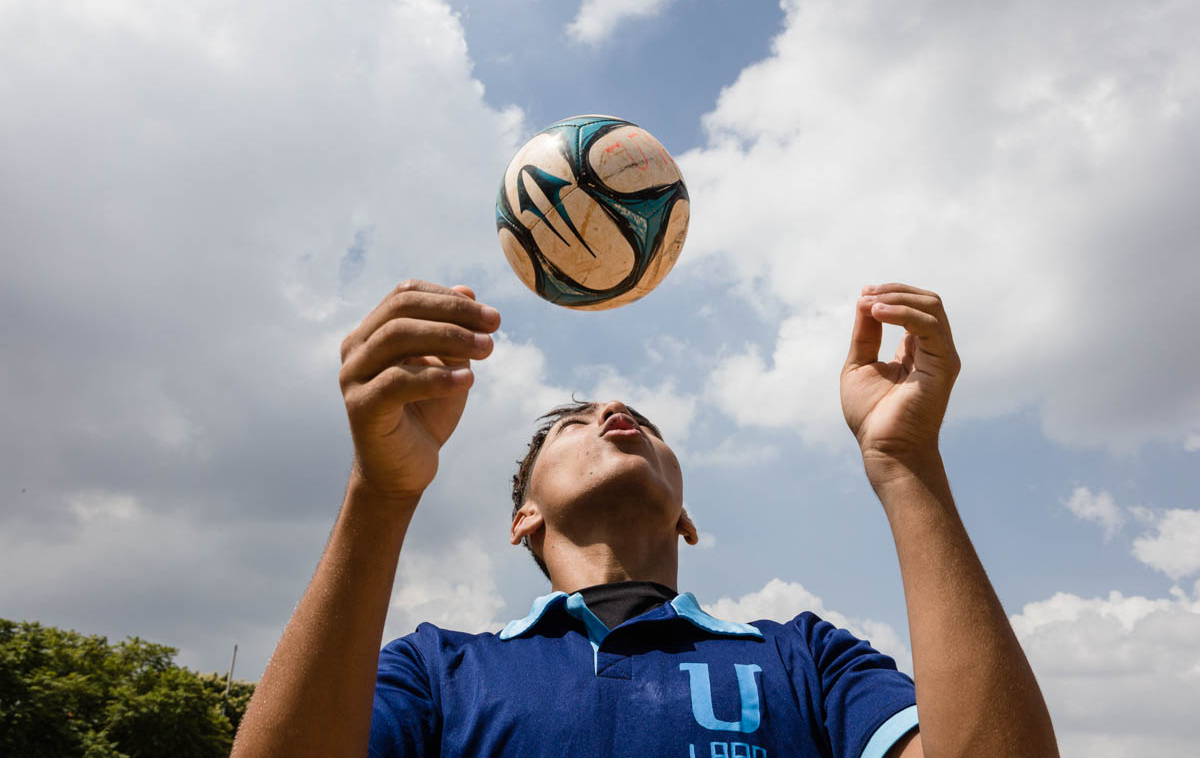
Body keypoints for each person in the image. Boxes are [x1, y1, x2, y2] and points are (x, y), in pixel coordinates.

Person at [232, 280, 1059, 758]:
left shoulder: (809, 658)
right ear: (522, 518)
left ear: (687, 517)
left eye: (644, 424)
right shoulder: (438, 671)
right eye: (572, 418)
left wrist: (907, 463)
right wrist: (380, 495)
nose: (616, 408)